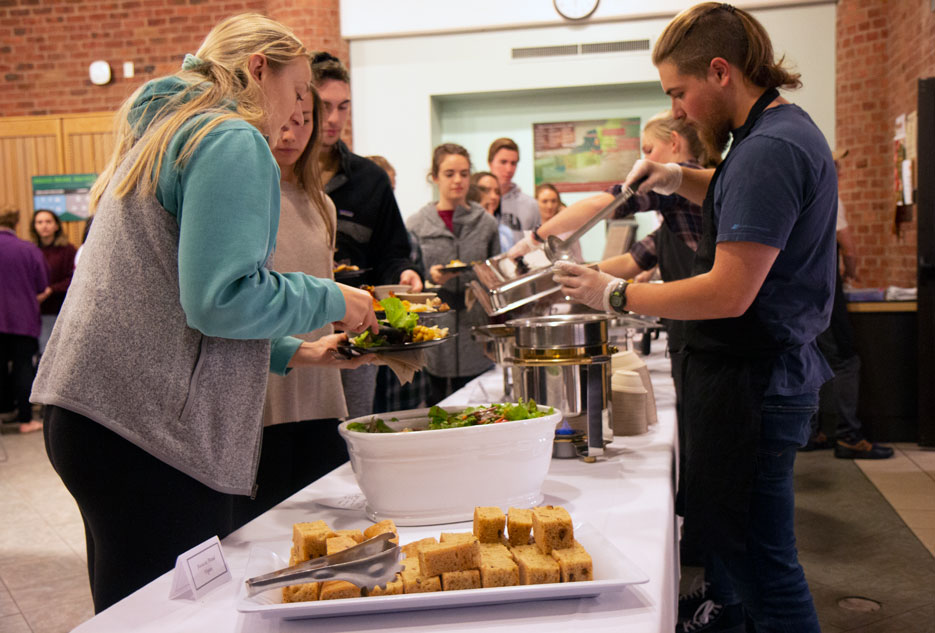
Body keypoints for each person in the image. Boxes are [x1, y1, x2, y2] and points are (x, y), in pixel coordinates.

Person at [31, 14, 378, 613]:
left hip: (93, 416)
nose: (299, 115)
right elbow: (221, 299)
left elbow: (167, 301)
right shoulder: (230, 137)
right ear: (258, 69)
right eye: (298, 93)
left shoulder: (170, 128)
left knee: (131, 609)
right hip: (147, 429)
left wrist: (293, 349)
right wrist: (333, 297)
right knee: (170, 616)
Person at [551, 4, 836, 632]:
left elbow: (728, 293)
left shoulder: (770, 147)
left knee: (764, 566)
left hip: (756, 383)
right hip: (759, 376)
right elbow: (742, 197)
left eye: (679, 93)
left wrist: (614, 294)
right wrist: (679, 176)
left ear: (720, 71)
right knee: (752, 555)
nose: (677, 110)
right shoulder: (769, 138)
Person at [230, 70, 374, 528]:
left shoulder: (321, 204)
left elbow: (318, 284)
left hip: (319, 379)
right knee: (262, 527)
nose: (292, 132)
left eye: (305, 119)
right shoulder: (243, 196)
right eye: (286, 118)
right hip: (262, 378)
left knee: (324, 523)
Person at [311, 52, 422, 419]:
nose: (333, 119)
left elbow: (391, 252)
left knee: (353, 432)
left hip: (355, 332)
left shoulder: (369, 180)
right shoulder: (277, 175)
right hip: (293, 329)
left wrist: (403, 273)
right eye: (324, 105)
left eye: (343, 107)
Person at [803, 151, 893, 460]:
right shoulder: (829, 197)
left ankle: (813, 431)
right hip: (825, 292)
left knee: (809, 357)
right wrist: (852, 271)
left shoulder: (798, 194)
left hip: (798, 294)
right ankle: (849, 435)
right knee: (844, 359)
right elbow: (850, 248)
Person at [407, 143, 500, 404]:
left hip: (475, 331)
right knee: (436, 408)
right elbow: (408, 278)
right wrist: (429, 276)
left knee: (479, 408)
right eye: (449, 174)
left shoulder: (486, 224)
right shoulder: (416, 224)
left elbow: (496, 278)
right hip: (434, 332)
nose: (458, 180)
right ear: (435, 177)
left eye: (464, 173)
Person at [0, 205, 48, 434]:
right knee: (23, 369)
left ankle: (5, 411)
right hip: (22, 319)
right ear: (16, 224)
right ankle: (26, 420)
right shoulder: (28, 250)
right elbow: (41, 285)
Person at [30, 209, 76, 353]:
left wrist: (51, 290)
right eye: (40, 222)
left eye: (48, 222)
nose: (44, 226)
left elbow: (73, 279)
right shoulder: (30, 250)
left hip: (60, 308)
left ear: (56, 226)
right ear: (34, 226)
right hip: (36, 310)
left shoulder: (68, 250)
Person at [487, 137, 540, 242]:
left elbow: (536, 245)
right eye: (503, 162)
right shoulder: (474, 202)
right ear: (490, 163)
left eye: (513, 163)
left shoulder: (530, 204)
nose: (509, 169)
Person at [468, 171, 514, 253]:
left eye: (497, 192)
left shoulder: (505, 232)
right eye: (486, 191)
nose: (494, 197)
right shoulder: (463, 231)